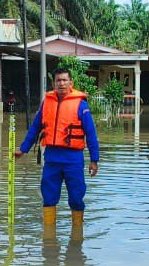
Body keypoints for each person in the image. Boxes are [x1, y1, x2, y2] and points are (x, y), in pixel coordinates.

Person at [14, 67, 99, 237]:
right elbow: (35, 129)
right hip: (51, 157)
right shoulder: (47, 103)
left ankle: (77, 237)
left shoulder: (81, 105)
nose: (61, 83)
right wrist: (23, 149)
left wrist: (94, 160)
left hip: (73, 159)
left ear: (70, 83)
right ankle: (49, 238)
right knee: (49, 196)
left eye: (64, 80)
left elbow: (91, 134)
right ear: (53, 84)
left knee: (76, 197)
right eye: (58, 80)